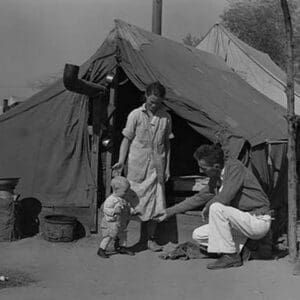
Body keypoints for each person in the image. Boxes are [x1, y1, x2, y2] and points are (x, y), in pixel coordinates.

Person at [156, 144, 271, 269]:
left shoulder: (235, 168)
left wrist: (208, 207)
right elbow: (198, 198)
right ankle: (247, 247)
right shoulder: (216, 178)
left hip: (257, 220)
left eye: (203, 168)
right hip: (242, 224)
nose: (200, 171)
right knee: (198, 235)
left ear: (216, 166)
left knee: (216, 208)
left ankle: (231, 256)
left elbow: (224, 197)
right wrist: (169, 212)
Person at [112, 81, 173, 252]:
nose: (154, 105)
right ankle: (120, 240)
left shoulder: (166, 118)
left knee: (155, 204)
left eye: (158, 102)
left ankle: (150, 239)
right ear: (146, 96)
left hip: (157, 168)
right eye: (152, 101)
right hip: (136, 166)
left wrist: (167, 167)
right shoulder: (135, 115)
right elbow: (127, 139)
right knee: (129, 204)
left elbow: (167, 144)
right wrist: (121, 161)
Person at [97, 176, 137, 258]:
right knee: (109, 236)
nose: (126, 193)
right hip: (111, 222)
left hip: (120, 221)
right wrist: (114, 211)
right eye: (125, 191)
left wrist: (132, 210)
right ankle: (101, 249)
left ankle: (122, 247)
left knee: (123, 234)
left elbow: (127, 206)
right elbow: (105, 209)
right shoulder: (111, 200)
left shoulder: (122, 198)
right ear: (116, 190)